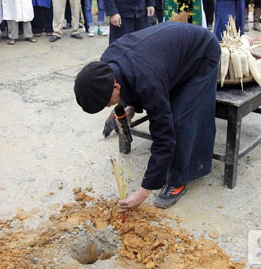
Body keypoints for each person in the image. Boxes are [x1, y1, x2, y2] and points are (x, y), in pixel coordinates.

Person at [74, 22, 220, 209]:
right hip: (169, 54)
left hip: (202, 51)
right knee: (160, 101)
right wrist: (130, 106)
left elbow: (164, 137)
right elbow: (133, 81)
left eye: (107, 102)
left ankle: (178, 179)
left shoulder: (147, 81)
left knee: (180, 120)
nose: (109, 105)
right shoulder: (108, 63)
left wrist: (143, 191)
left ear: (115, 86)